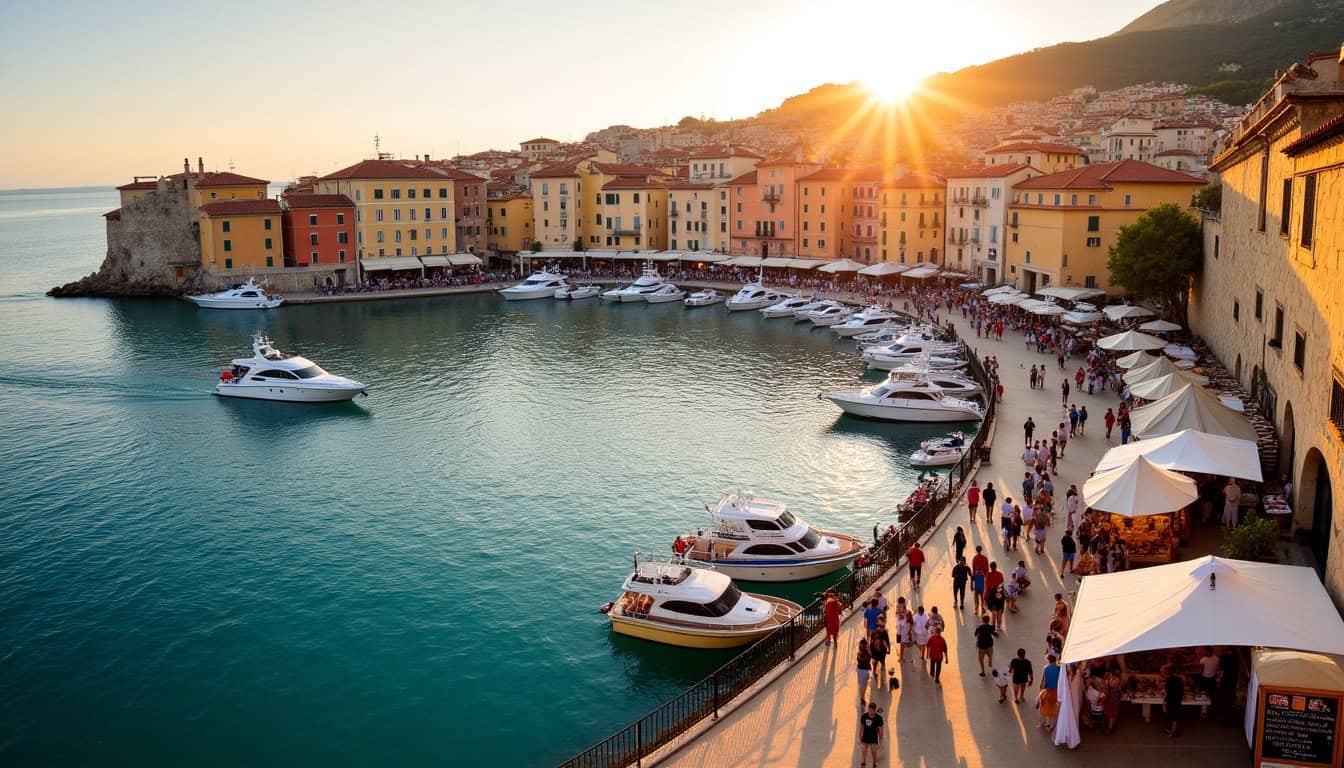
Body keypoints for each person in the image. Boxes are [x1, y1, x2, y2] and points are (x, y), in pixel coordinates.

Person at [1038, 654, 1061, 729]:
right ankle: (1051, 724)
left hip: (1048, 690)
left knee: (1045, 707)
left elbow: (1043, 682)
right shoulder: (1059, 668)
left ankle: (1047, 723)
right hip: (1056, 691)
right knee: (1053, 707)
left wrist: (1041, 690)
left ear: (1048, 660)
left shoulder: (1045, 668)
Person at [859, 703, 884, 768]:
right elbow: (861, 727)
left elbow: (881, 729)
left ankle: (874, 763)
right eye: (869, 710)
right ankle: (863, 762)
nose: (870, 712)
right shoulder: (864, 716)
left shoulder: (879, 718)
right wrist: (860, 737)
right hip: (865, 737)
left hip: (874, 738)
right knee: (864, 750)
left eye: (872, 711)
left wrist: (881, 739)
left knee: (874, 752)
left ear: (875, 710)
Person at [1162, 664, 1185, 737]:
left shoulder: (1170, 680)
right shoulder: (1177, 678)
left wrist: (1165, 701)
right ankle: (1172, 730)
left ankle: (1173, 733)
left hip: (1173, 700)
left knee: (1173, 716)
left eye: (1162, 672)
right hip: (1177, 699)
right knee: (1174, 716)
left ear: (1166, 673)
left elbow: (1167, 692)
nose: (1162, 674)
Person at [870, 616, 891, 686]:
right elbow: (871, 641)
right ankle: (874, 671)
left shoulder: (885, 632)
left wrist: (889, 649)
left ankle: (882, 665)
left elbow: (887, 641)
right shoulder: (874, 632)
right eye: (880, 626)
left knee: (882, 660)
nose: (882, 628)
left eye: (883, 626)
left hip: (882, 650)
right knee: (875, 661)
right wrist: (871, 650)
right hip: (875, 650)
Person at [971, 546, 989, 613]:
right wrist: (986, 577)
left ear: (976, 550)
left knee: (976, 593)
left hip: (976, 577)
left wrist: (972, 582)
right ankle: (982, 607)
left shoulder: (975, 558)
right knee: (981, 593)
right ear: (981, 550)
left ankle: (976, 608)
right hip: (982, 577)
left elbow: (973, 568)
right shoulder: (985, 558)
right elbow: (987, 569)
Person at [856, 639, 873, 707]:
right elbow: (868, 658)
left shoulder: (859, 654)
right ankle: (862, 697)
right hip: (865, 671)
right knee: (864, 684)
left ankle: (862, 696)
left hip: (859, 670)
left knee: (861, 684)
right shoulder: (868, 654)